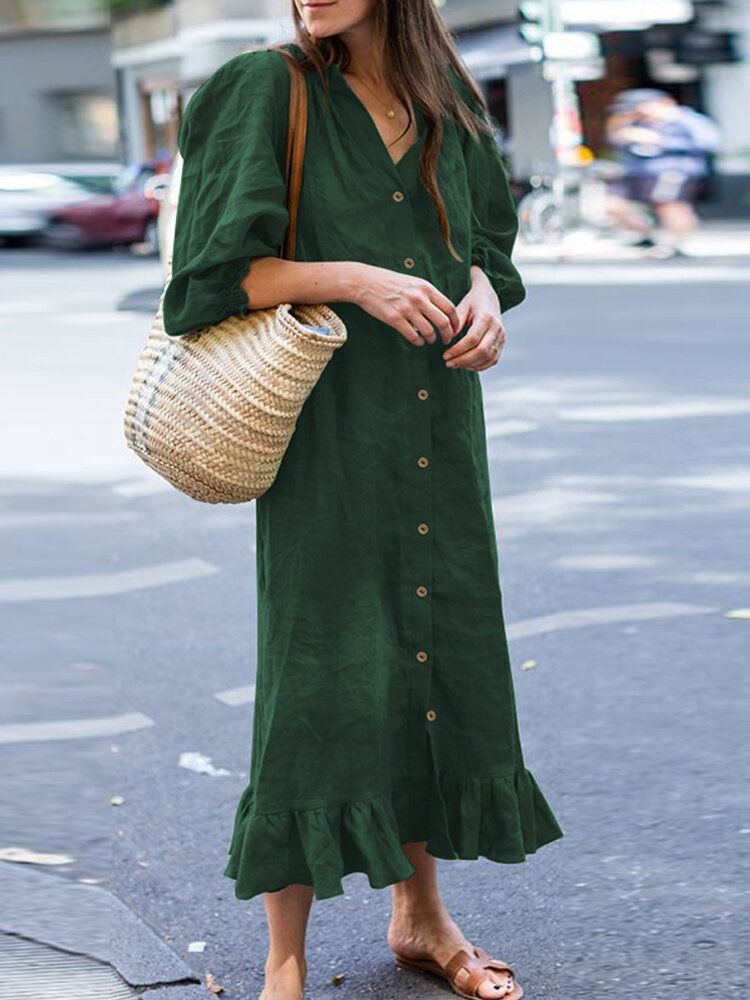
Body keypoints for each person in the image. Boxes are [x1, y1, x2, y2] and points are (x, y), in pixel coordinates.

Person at [162, 1, 564, 997]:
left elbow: (489, 254)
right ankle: (284, 960)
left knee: (428, 658)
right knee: (320, 674)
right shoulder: (266, 87)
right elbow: (205, 281)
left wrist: (480, 296)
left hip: (436, 427)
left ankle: (422, 917)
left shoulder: (449, 101)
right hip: (326, 434)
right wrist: (356, 279)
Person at [605, 88, 720, 257]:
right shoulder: (637, 122)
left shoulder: (687, 120)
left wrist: (662, 141)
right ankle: (645, 237)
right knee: (613, 206)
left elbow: (708, 143)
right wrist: (621, 131)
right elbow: (617, 143)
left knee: (670, 206)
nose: (638, 112)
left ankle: (675, 244)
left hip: (673, 170)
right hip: (636, 172)